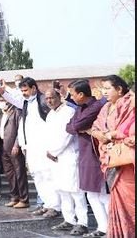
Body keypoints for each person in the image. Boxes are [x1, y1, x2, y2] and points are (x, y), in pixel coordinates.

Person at [0, 77, 58, 218]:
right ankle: (46, 204)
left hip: (44, 145)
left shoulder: (42, 100)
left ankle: (55, 206)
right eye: (22, 90)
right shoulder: (26, 102)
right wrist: (3, 93)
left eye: (25, 90)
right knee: (37, 175)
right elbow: (15, 100)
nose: (23, 93)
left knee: (47, 175)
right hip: (31, 146)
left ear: (34, 88)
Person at [91, 75, 135, 238]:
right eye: (103, 89)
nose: (104, 92)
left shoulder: (131, 104)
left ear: (119, 89)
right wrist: (98, 134)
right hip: (111, 159)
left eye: (108, 88)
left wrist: (111, 135)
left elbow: (130, 129)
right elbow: (95, 126)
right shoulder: (106, 108)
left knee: (131, 200)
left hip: (126, 162)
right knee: (116, 199)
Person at [65, 79, 108, 238]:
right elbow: (69, 127)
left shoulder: (96, 106)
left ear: (82, 94)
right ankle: (102, 227)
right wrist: (82, 128)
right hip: (85, 155)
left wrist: (79, 127)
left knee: (102, 193)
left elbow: (75, 126)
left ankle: (111, 228)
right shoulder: (80, 108)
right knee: (91, 194)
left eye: (72, 94)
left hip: (95, 155)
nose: (71, 97)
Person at [43, 89, 88, 236]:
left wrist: (54, 152)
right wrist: (49, 152)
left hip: (68, 155)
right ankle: (69, 220)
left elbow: (67, 135)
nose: (49, 101)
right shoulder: (50, 114)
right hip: (54, 158)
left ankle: (82, 222)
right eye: (47, 98)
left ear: (59, 97)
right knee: (62, 190)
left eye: (52, 98)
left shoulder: (68, 111)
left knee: (75, 191)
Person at [0, 95, 29, 208]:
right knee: (10, 174)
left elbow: (20, 130)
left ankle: (24, 199)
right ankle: (14, 197)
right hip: (3, 146)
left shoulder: (17, 112)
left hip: (13, 147)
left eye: (3, 100)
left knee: (19, 173)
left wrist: (17, 145)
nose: (1, 102)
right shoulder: (3, 114)